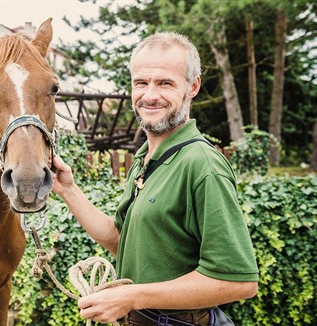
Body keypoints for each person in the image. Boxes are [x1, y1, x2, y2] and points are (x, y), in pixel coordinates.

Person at [51, 31, 259, 325]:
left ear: (192, 86)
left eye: (165, 83)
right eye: (141, 83)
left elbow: (239, 282)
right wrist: (68, 190)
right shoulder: (145, 159)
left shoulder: (202, 165)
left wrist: (132, 297)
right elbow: (121, 241)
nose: (149, 95)